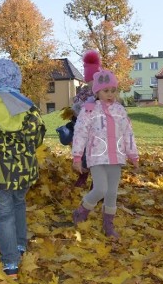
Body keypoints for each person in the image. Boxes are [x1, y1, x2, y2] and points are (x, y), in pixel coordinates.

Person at [0, 59, 46, 279]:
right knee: (19, 203)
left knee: (4, 213)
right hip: (24, 169)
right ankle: (21, 245)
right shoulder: (28, 108)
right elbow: (37, 137)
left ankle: (10, 263)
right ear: (17, 79)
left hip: (0, 171)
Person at [71, 69, 139, 239]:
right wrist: (77, 156)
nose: (110, 94)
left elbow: (127, 133)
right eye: (105, 91)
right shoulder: (89, 110)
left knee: (112, 193)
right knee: (100, 188)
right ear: (97, 91)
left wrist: (133, 154)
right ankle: (82, 211)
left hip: (116, 157)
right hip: (97, 157)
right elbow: (80, 133)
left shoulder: (120, 110)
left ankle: (108, 224)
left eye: (113, 90)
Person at [57, 50, 101, 187]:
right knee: (82, 156)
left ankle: (96, 181)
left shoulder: (101, 93)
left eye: (95, 79)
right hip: (82, 130)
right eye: (90, 80)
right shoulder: (83, 93)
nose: (92, 83)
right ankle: (83, 174)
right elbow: (76, 108)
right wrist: (75, 112)